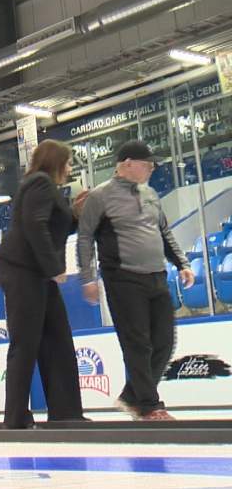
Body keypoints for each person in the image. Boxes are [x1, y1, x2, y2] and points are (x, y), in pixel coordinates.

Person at [77, 140, 195, 421]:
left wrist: (182, 263)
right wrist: (87, 278)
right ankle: (150, 406)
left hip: (156, 276)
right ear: (127, 164)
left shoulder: (151, 194)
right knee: (137, 344)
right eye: (147, 164)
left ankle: (132, 397)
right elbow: (85, 238)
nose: (152, 168)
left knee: (164, 342)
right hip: (123, 279)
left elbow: (164, 232)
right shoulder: (100, 197)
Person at [0, 140, 88, 429]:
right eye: (67, 162)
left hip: (36, 273)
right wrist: (54, 267)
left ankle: (66, 412)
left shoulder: (46, 187)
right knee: (25, 343)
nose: (70, 168)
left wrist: (75, 214)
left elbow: (51, 225)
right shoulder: (40, 183)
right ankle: (16, 417)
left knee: (58, 340)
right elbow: (35, 224)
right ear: (55, 162)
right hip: (22, 270)